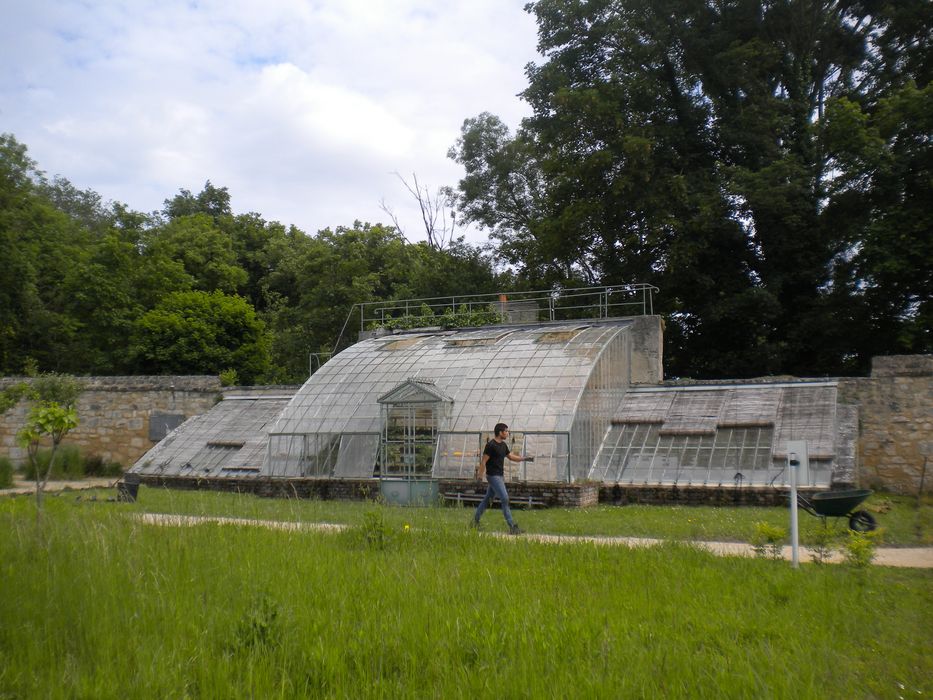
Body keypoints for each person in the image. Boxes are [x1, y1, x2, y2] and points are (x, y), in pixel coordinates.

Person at [472, 423, 533, 534]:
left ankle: (474, 523)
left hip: (499, 476)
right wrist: (479, 477)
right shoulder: (491, 445)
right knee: (504, 498)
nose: (507, 433)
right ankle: (512, 527)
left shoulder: (503, 445)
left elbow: (510, 457)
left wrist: (524, 458)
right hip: (493, 476)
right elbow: (484, 461)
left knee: (487, 500)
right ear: (500, 432)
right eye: (506, 431)